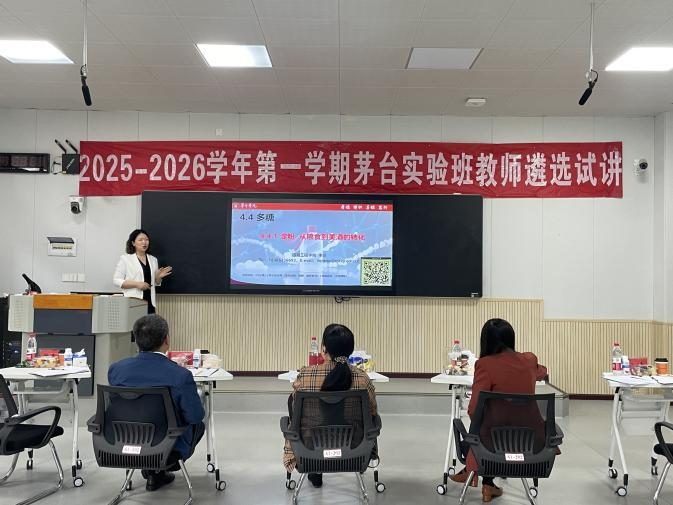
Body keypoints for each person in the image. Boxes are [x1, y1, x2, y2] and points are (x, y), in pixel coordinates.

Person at [449, 318, 548, 502]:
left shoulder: (485, 365)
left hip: (493, 445)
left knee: (481, 428)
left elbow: (474, 410)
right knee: (495, 427)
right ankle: (488, 485)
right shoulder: (529, 360)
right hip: (529, 442)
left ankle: (472, 471)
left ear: (486, 341)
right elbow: (542, 371)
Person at [109, 314, 205, 491]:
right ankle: (159, 469)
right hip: (167, 446)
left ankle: (153, 472)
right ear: (166, 339)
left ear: (136, 339)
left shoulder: (116, 370)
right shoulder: (180, 375)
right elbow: (195, 416)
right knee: (198, 424)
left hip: (124, 441)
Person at [283, 324, 378, 488]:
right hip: (354, 452)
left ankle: (316, 471)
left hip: (310, 452)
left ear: (324, 349)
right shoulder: (363, 378)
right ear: (350, 350)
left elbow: (295, 410)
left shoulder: (305, 376)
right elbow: (372, 413)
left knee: (291, 403)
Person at [113, 229, 172, 314]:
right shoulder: (125, 259)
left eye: (146, 240)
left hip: (150, 302)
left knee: (150, 323)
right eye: (140, 240)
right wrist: (137, 284)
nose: (144, 242)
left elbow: (155, 283)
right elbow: (116, 280)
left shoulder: (153, 260)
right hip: (133, 303)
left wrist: (158, 278)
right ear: (133, 243)